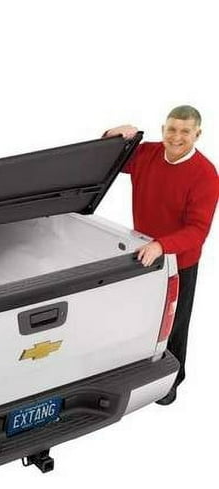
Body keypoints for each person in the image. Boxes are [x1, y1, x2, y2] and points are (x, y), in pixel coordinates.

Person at [104, 105, 219, 405]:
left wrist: (161, 245)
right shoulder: (147, 154)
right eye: (172, 129)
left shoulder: (206, 175)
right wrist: (113, 136)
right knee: (141, 318)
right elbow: (108, 161)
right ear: (163, 129)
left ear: (197, 134)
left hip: (179, 261)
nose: (176, 137)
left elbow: (197, 231)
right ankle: (139, 372)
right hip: (143, 255)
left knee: (173, 323)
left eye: (185, 131)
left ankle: (172, 381)